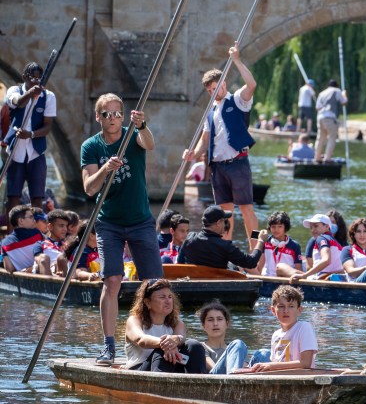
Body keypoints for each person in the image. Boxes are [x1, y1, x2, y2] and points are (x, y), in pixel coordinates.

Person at [80, 93, 163, 366]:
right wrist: (106, 168)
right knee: (112, 280)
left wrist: (141, 125)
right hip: (109, 223)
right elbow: (89, 188)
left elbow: (149, 144)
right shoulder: (91, 146)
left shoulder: (132, 135)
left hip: (140, 219)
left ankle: (158, 338)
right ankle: (108, 346)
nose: (113, 118)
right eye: (107, 114)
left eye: (117, 113)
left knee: (154, 284)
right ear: (98, 117)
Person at [182, 43, 259, 242]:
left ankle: (256, 250)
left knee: (246, 208)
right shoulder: (210, 112)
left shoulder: (238, 100)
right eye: (210, 91)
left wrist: (236, 60)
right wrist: (193, 154)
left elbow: (251, 85)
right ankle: (226, 250)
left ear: (224, 83)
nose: (214, 93)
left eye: (216, 87)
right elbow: (205, 139)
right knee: (225, 212)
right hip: (218, 166)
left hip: (238, 162)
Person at [123, 279, 205, 373]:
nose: (168, 301)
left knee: (194, 345)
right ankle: (159, 386)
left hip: (170, 368)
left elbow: (181, 338)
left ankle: (197, 384)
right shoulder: (134, 320)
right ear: (147, 302)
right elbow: (141, 340)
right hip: (139, 371)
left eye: (170, 297)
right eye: (162, 297)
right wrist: (166, 344)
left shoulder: (177, 323)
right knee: (161, 350)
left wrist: (176, 339)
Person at [4, 62, 56, 209]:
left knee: (37, 197)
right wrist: (30, 93)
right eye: (32, 78)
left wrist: (31, 134)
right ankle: (12, 231)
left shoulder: (49, 96)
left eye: (39, 79)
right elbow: (17, 103)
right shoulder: (14, 90)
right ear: (24, 77)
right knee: (13, 197)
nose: (35, 81)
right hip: (15, 152)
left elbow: (47, 126)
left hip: (36, 152)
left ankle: (36, 229)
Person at [249, 285, 318, 372]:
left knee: (261, 355)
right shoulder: (275, 335)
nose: (286, 311)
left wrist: (271, 365)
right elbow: (275, 365)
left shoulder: (304, 328)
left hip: (299, 379)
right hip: (280, 379)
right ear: (273, 310)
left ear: (299, 310)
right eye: (281, 306)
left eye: (291, 306)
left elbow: (305, 363)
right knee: (260, 354)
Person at [177, 205, 268, 272]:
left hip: (195, 281)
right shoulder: (225, 246)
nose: (225, 224)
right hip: (217, 285)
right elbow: (251, 262)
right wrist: (261, 241)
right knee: (239, 267)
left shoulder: (189, 238)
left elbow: (179, 263)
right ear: (218, 222)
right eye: (224, 221)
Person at [197, 300, 249, 374]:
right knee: (238, 344)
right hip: (216, 380)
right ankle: (232, 380)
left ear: (227, 323)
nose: (215, 323)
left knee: (263, 353)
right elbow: (214, 369)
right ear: (203, 326)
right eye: (210, 320)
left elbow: (244, 371)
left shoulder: (237, 349)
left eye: (219, 319)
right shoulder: (200, 347)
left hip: (236, 378)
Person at [291, 213, 346, 282]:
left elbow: (326, 260)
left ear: (327, 227)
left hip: (323, 278)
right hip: (337, 277)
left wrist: (304, 275)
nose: (313, 230)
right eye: (311, 227)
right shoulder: (336, 242)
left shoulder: (321, 238)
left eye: (316, 226)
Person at [258, 211, 303, 278]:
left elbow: (298, 270)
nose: (276, 230)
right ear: (269, 228)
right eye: (273, 227)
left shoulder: (295, 246)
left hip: (286, 280)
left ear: (285, 227)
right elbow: (259, 267)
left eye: (280, 226)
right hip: (268, 279)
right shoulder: (265, 242)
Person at [1, 204, 43, 272]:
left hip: (21, 279)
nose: (34, 220)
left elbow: (9, 268)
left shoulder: (4, 243)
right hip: (41, 275)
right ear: (21, 221)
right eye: (31, 217)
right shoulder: (36, 233)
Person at [314, 79, 347, 163]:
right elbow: (344, 102)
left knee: (320, 138)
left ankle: (317, 158)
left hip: (320, 117)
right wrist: (344, 95)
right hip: (330, 117)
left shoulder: (322, 93)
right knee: (332, 137)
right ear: (337, 85)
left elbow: (317, 107)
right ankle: (327, 159)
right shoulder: (337, 91)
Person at [34, 208, 69, 276]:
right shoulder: (40, 244)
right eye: (61, 226)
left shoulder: (67, 245)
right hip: (50, 276)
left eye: (66, 226)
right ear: (50, 227)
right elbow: (39, 264)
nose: (65, 229)